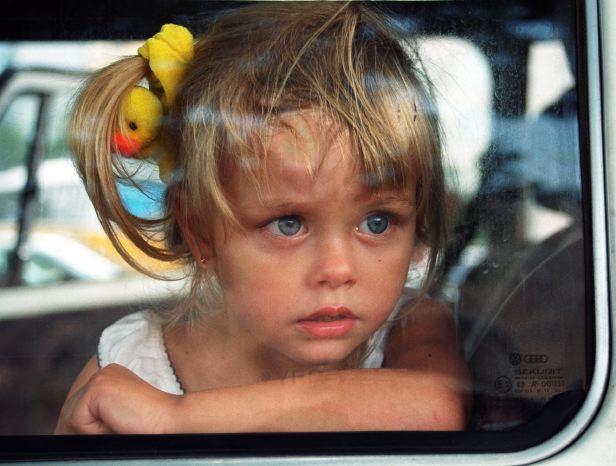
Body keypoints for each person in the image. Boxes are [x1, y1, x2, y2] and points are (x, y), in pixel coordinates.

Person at [55, 2, 468, 434]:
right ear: (199, 232)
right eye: (288, 224)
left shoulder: (411, 326)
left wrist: (173, 419)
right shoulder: (132, 365)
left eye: (378, 222)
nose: (338, 270)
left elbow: (434, 408)